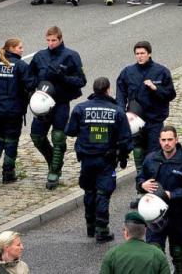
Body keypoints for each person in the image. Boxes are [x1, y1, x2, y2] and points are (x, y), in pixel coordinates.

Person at [65, 77, 132, 242]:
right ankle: (102, 230)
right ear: (108, 89)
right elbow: (125, 140)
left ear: (94, 90)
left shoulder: (81, 108)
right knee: (102, 193)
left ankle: (90, 226)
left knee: (89, 191)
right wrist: (123, 158)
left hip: (86, 159)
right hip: (106, 160)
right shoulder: (117, 111)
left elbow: (70, 130)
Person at [137, 126, 182, 273]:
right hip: (154, 216)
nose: (167, 143)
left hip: (177, 215)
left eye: (170, 139)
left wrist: (171, 194)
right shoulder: (151, 159)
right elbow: (140, 177)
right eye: (164, 140)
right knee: (154, 254)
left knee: (178, 254)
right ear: (159, 141)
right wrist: (142, 184)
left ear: (176, 140)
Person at [28, 26, 86, 190]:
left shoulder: (71, 56)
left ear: (60, 39)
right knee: (37, 136)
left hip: (60, 103)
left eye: (54, 40)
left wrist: (63, 77)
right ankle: (53, 158)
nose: (51, 43)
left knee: (58, 137)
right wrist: (32, 91)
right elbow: (29, 76)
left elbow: (81, 81)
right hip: (41, 104)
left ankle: (54, 171)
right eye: (48, 40)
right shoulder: (40, 56)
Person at [116, 41, 176, 196]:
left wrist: (156, 88)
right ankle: (142, 190)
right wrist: (121, 111)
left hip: (154, 121)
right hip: (135, 121)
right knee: (138, 154)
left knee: (153, 156)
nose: (140, 56)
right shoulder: (128, 72)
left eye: (142, 53)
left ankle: (155, 191)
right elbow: (121, 93)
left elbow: (170, 94)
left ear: (149, 53)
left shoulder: (161, 71)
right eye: (137, 53)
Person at [0, 39, 31, 183]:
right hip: (13, 111)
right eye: (20, 47)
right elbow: (30, 84)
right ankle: (8, 172)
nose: (22, 50)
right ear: (11, 48)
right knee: (11, 140)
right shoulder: (20, 65)